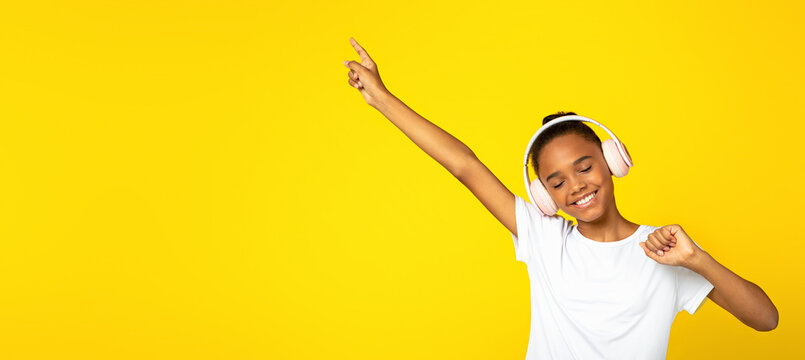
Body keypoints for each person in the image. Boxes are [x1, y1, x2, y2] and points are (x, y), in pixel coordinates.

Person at [342, 37, 778, 359]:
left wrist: (697, 259)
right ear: (543, 196)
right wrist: (381, 99)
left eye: (585, 167)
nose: (576, 186)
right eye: (556, 181)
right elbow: (465, 166)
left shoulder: (664, 251)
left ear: (611, 161)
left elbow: (766, 319)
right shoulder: (544, 236)